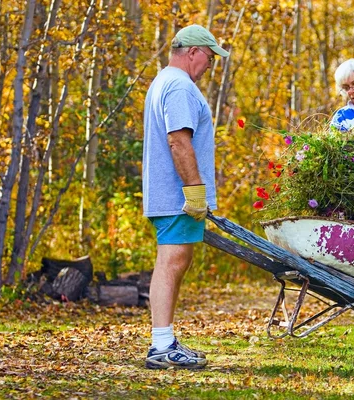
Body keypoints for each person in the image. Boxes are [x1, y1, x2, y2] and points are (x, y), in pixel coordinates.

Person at [142, 24, 229, 370]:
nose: (210, 65)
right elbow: (179, 140)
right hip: (175, 193)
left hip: (168, 191)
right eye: (209, 58)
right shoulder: (178, 86)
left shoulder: (165, 81)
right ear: (193, 52)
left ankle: (165, 340)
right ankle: (161, 344)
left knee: (177, 260)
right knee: (173, 260)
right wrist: (194, 191)